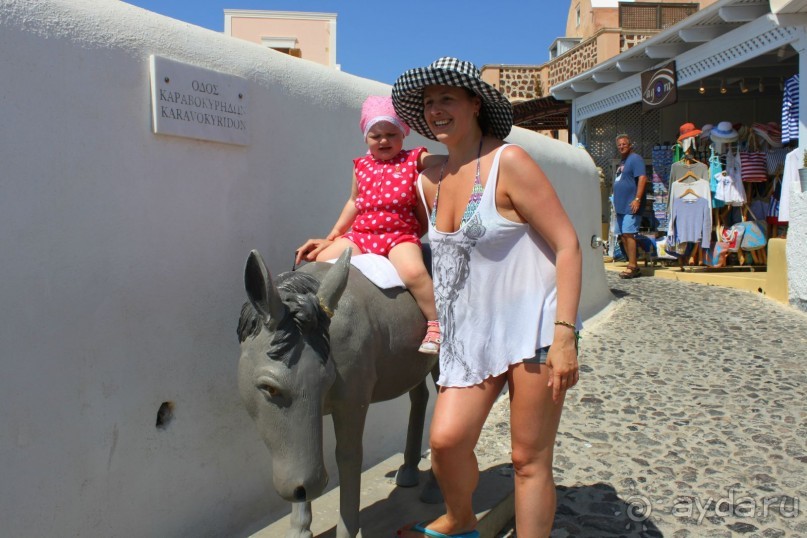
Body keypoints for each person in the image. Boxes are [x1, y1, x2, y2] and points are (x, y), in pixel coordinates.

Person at [392, 57, 582, 538]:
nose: (436, 110)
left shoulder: (509, 162)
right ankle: (459, 521)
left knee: (527, 458)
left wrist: (564, 336)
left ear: (475, 104)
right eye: (429, 102)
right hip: (471, 336)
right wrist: (335, 241)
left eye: (447, 99)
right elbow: (381, 224)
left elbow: (567, 245)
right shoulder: (429, 179)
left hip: (533, 327)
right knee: (447, 442)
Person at [295, 95, 443, 354]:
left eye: (391, 134)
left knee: (414, 274)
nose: (384, 140)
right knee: (320, 262)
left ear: (403, 135)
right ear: (366, 137)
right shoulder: (361, 166)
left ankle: (437, 324)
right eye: (376, 136)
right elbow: (354, 201)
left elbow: (443, 163)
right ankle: (303, 322)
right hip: (362, 235)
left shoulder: (413, 159)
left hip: (399, 236)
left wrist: (462, 157)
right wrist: (334, 235)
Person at [612, 134, 648, 279]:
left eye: (624, 144)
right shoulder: (623, 161)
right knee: (623, 235)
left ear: (630, 145)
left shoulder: (635, 159)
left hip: (630, 204)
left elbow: (642, 178)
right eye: (619, 145)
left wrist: (637, 199)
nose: (621, 147)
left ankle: (632, 266)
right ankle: (632, 264)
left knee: (629, 233)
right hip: (620, 206)